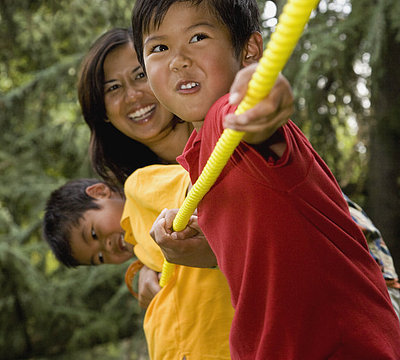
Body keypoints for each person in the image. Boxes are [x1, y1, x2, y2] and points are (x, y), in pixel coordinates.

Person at [131, 0, 400, 360]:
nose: (178, 60)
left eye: (198, 37)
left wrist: (261, 97)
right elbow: (268, 250)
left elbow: (248, 107)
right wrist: (203, 251)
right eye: (159, 48)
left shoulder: (232, 123)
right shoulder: (198, 156)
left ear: (249, 51)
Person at [74, 27, 294, 358]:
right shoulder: (140, 190)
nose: (134, 95)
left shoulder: (224, 122)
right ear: (102, 111)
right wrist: (143, 271)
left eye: (140, 75)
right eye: (114, 88)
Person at [43, 166, 234, 360]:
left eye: (93, 234)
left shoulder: (139, 187)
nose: (106, 247)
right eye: (99, 258)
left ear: (99, 192)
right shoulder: (144, 257)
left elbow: (196, 186)